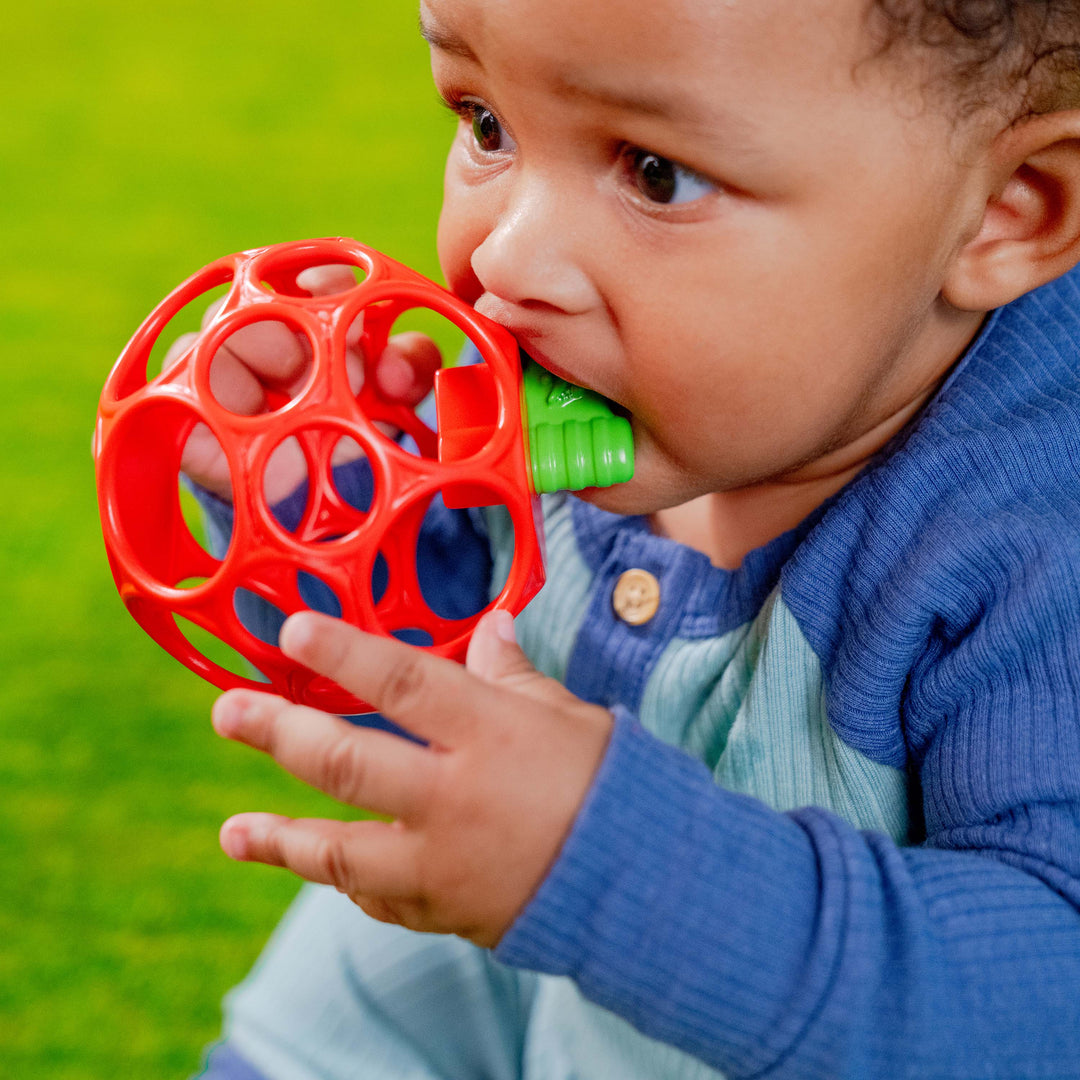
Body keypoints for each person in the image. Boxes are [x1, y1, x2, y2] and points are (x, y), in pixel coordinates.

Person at [185, 0, 1080, 1076]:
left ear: (1006, 212)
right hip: (484, 978)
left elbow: (1047, 996)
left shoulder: (1030, 552)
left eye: (656, 173)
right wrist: (313, 509)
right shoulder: (581, 387)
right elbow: (429, 687)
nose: (506, 265)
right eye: (484, 124)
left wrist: (607, 865)